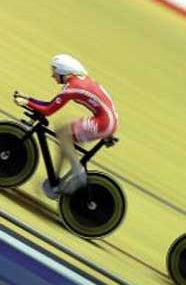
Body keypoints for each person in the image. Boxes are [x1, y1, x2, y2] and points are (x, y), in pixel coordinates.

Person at [13, 54, 118, 198]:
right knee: (65, 138)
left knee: (63, 134)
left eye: (54, 72)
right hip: (108, 120)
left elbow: (48, 110)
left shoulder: (72, 88)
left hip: (104, 122)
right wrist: (29, 99)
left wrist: (27, 103)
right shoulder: (79, 80)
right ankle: (56, 182)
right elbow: (50, 103)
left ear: (63, 72)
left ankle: (78, 171)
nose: (52, 76)